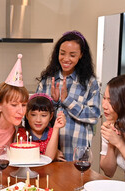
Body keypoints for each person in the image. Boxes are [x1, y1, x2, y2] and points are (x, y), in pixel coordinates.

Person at [36, 30, 101, 161]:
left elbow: (94, 115)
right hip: (49, 150)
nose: (66, 59)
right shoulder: (48, 80)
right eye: (62, 53)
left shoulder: (90, 83)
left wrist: (67, 101)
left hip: (77, 151)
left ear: (81, 55)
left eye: (72, 55)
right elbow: (37, 114)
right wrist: (53, 103)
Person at [17, 93, 66, 161]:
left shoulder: (52, 133)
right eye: (33, 115)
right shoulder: (23, 133)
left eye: (43, 115)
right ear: (27, 115)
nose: (38, 120)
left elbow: (48, 158)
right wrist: (54, 155)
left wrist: (56, 128)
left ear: (51, 116)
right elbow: (24, 156)